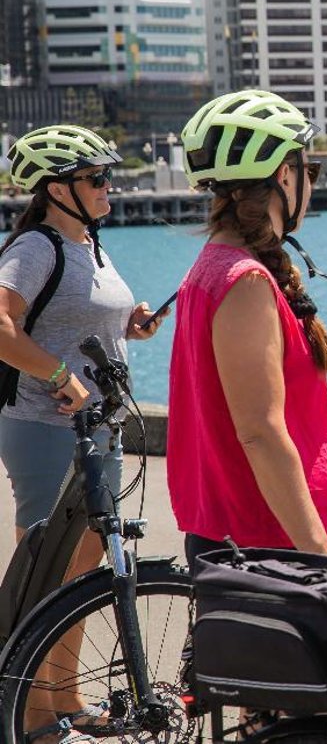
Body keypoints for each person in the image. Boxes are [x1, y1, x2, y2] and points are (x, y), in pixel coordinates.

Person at [0, 124, 167, 731]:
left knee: (85, 569)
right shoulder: (36, 248)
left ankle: (65, 699)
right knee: (47, 569)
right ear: (56, 188)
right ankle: (33, 710)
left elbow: (87, 315)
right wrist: (56, 375)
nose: (108, 186)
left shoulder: (90, 242)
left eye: (107, 176)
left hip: (102, 426)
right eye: (96, 178)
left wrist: (133, 325)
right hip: (46, 429)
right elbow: (1, 326)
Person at [167, 90, 327, 572]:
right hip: (265, 541)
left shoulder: (212, 270)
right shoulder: (245, 282)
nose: (312, 184)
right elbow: (259, 431)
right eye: (310, 171)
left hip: (235, 531)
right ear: (285, 175)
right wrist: (320, 555)